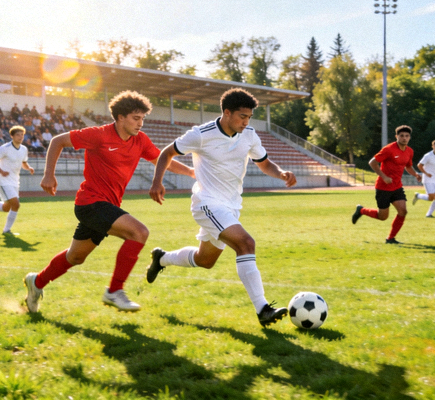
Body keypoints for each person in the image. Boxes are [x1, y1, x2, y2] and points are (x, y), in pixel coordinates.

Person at [23, 91, 193, 313]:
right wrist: (48, 175)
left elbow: (162, 160)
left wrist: (191, 172)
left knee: (75, 257)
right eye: (135, 118)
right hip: (90, 203)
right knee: (139, 232)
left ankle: (36, 282)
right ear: (120, 117)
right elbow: (57, 141)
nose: (140, 124)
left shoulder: (140, 140)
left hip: (108, 206)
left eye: (142, 118)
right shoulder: (99, 135)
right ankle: (114, 291)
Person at [147, 88, 296, 327]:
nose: (246, 122)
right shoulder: (201, 134)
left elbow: (265, 163)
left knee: (204, 260)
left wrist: (281, 174)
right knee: (246, 244)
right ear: (227, 112)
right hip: (207, 203)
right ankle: (263, 309)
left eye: (249, 117)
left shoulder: (249, 135)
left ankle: (161, 258)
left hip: (231, 206)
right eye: (241, 116)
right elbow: (167, 152)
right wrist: (157, 182)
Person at [352, 125, 422, 244]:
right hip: (383, 187)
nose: (404, 138)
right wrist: (384, 177)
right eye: (401, 136)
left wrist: (415, 174)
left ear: (409, 137)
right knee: (382, 217)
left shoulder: (409, 151)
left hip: (397, 187)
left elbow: (408, 166)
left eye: (407, 136)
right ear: (396, 137)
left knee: (403, 211)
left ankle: (390, 239)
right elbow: (372, 162)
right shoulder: (389, 149)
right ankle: (361, 210)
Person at [0, 126, 34, 235]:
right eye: (18, 135)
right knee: (16, 204)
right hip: (4, 181)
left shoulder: (24, 149)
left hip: (15, 181)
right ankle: (6, 231)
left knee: (6, 208)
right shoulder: (5, 148)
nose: (20, 137)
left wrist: (29, 168)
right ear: (12, 136)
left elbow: (23, 163)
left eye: (22, 135)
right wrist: (1, 171)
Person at [412, 139, 435, 218]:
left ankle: (429, 214)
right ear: (432, 146)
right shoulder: (428, 155)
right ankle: (418, 196)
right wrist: (425, 173)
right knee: (431, 198)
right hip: (427, 178)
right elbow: (419, 165)